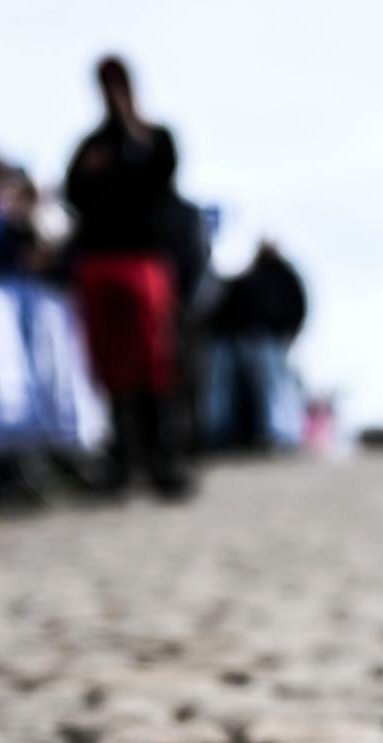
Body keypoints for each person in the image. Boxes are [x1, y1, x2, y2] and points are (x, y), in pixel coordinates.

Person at [64, 55, 192, 498]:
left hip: (144, 260)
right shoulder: (90, 146)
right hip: (100, 260)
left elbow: (166, 176)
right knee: (110, 363)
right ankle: (120, 461)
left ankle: (164, 460)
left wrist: (133, 133)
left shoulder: (155, 138)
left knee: (154, 361)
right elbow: (72, 194)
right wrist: (90, 170)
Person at [206, 241, 308, 449]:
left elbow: (298, 308)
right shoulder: (250, 276)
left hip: (270, 338)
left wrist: (288, 334)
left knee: (271, 387)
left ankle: (276, 433)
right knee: (246, 388)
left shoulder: (283, 277)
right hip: (247, 337)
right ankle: (241, 433)